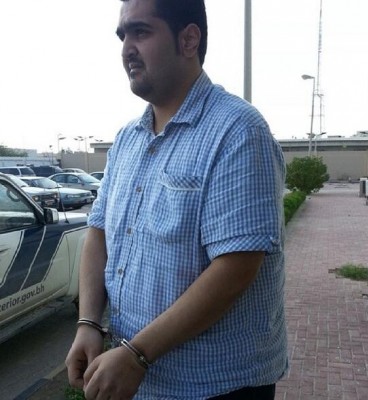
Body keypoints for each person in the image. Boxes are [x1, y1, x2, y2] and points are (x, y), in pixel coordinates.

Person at [65, 0, 288, 398]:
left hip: (217, 386)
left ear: (188, 39)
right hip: (139, 378)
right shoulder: (127, 140)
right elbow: (98, 232)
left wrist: (137, 354)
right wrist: (88, 323)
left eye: (141, 32)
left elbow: (237, 266)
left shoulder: (237, 131)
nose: (126, 49)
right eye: (122, 36)